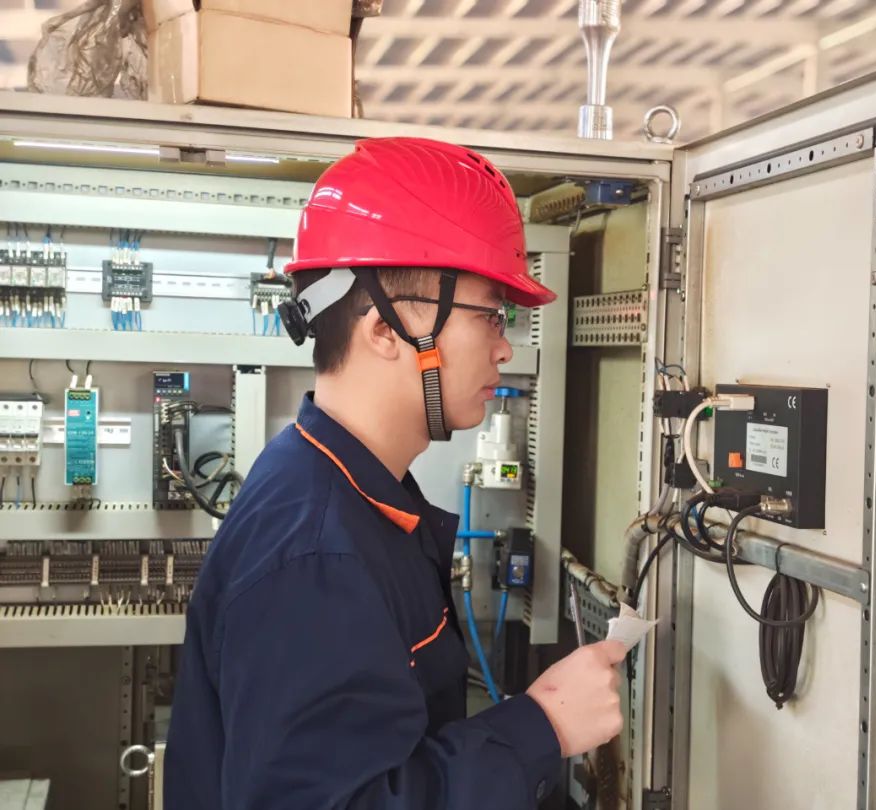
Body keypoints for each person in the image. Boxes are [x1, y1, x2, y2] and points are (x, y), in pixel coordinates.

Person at [165, 137, 626, 809]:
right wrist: (542, 727)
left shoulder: (345, 491)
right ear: (385, 328)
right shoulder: (316, 553)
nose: (504, 347)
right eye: (491, 315)